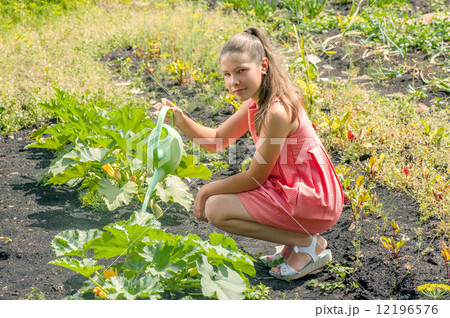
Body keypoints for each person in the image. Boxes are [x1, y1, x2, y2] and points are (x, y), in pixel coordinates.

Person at [160, 26, 343, 281]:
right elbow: (215, 141)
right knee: (220, 201)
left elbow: (255, 178)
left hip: (312, 198)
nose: (233, 81)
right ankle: (294, 245)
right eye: (227, 74)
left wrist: (205, 190)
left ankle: (307, 242)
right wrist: (181, 121)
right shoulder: (257, 101)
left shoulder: (276, 112)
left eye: (241, 71)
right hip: (293, 188)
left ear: (263, 66)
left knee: (216, 209)